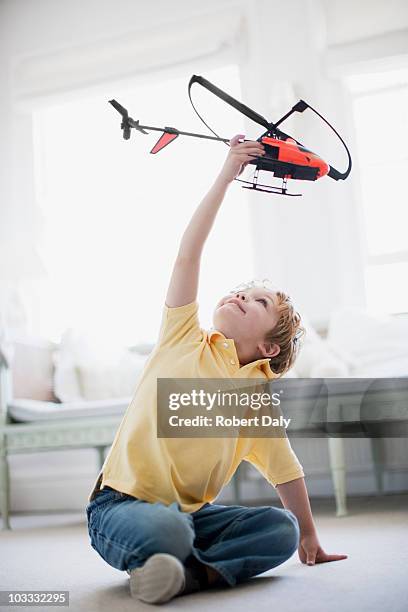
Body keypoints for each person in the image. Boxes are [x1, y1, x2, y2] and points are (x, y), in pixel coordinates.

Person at [85, 135, 348, 605]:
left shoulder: (255, 403)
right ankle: (178, 559)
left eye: (258, 300)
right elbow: (189, 253)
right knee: (166, 529)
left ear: (268, 345)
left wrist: (309, 536)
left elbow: (286, 473)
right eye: (241, 291)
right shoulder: (181, 335)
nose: (241, 296)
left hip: (192, 515)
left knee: (279, 530)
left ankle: (184, 576)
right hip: (120, 507)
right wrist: (226, 175)